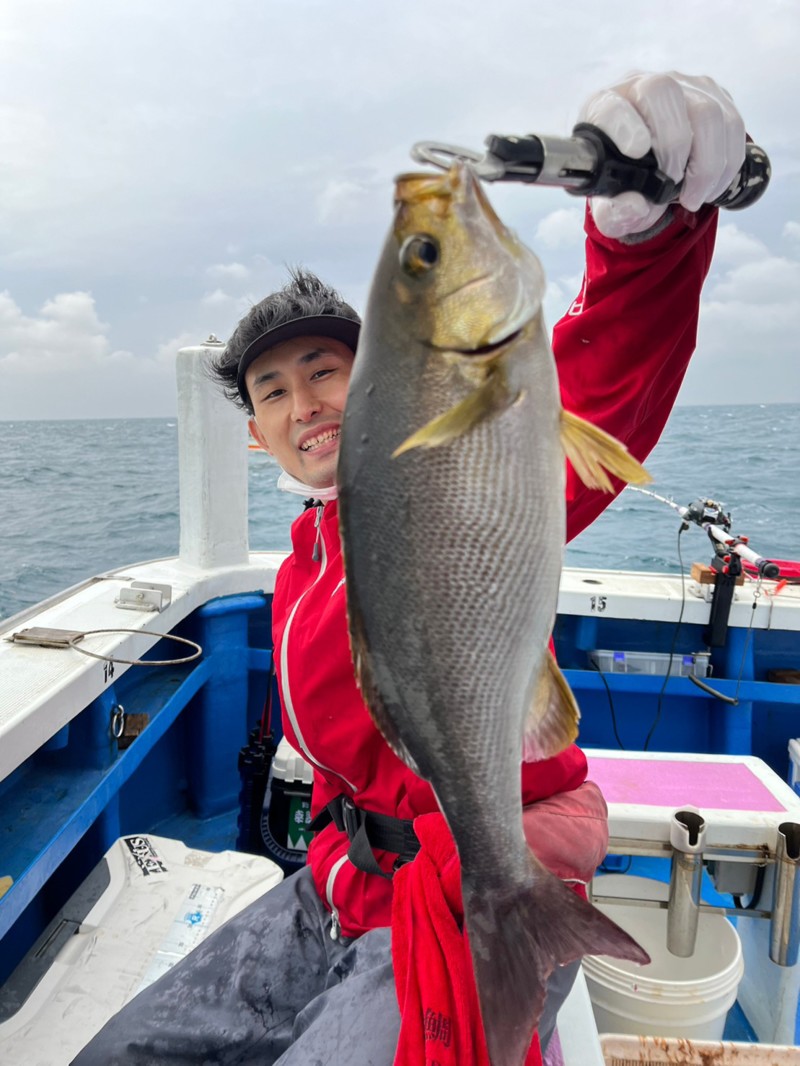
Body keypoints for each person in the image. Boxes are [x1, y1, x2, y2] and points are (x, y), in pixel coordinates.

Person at [73, 71, 747, 1065]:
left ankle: (509, 936)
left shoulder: (465, 458)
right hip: (344, 877)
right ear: (255, 436)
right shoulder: (303, 560)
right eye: (272, 389)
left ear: (386, 377)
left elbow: (612, 363)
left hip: (463, 876)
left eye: (328, 370)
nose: (303, 402)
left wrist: (645, 238)